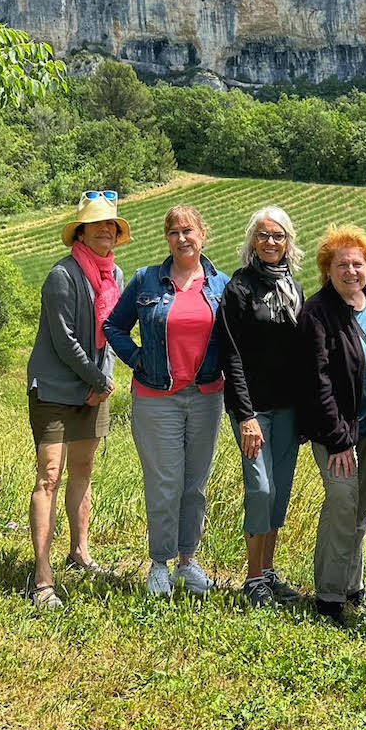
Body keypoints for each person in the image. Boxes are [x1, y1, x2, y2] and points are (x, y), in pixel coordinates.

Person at [104, 205, 230, 597]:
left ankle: (188, 562)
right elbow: (113, 325)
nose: (181, 238)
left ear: (202, 234)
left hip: (207, 395)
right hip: (157, 397)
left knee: (195, 484)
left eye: (188, 230)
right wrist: (139, 358)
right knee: (164, 483)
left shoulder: (221, 285)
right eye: (174, 232)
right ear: (167, 238)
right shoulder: (146, 281)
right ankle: (159, 563)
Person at [25, 191, 127, 608]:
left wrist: (104, 380)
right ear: (80, 232)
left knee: (83, 469)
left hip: (93, 387)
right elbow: (64, 340)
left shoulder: (115, 276)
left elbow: (113, 334)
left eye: (113, 225)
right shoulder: (62, 276)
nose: (107, 230)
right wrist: (98, 379)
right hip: (54, 388)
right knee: (49, 476)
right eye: (98, 224)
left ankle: (79, 552)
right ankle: (42, 576)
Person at [298, 224, 366, 627]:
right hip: (337, 432)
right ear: (327, 269)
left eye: (358, 264)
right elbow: (315, 381)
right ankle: (329, 596)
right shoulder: (317, 312)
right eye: (342, 265)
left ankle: (354, 585)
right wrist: (337, 440)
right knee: (342, 503)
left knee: (362, 506)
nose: (351, 271)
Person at [216, 206, 306, 607]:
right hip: (253, 409)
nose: (271, 242)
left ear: (289, 242)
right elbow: (231, 354)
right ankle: (252, 579)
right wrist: (245, 415)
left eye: (279, 236)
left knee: (280, 491)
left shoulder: (295, 289)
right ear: (253, 240)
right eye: (264, 235)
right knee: (260, 488)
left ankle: (268, 571)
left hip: (289, 408)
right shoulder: (239, 288)